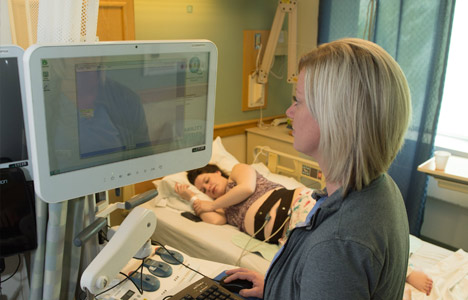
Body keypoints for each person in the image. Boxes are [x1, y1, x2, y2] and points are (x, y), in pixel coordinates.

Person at [219, 38, 412, 299]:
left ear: (335, 116)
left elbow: (335, 266)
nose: (289, 111)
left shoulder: (337, 246)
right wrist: (278, 288)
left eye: (297, 101)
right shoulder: (382, 189)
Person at [174, 163, 315, 244]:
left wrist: (211, 205)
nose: (208, 187)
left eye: (207, 180)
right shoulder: (223, 207)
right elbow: (215, 220)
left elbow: (247, 188)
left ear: (217, 172)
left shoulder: (237, 171)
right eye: (203, 190)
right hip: (290, 236)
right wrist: (192, 198)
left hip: (300, 206)